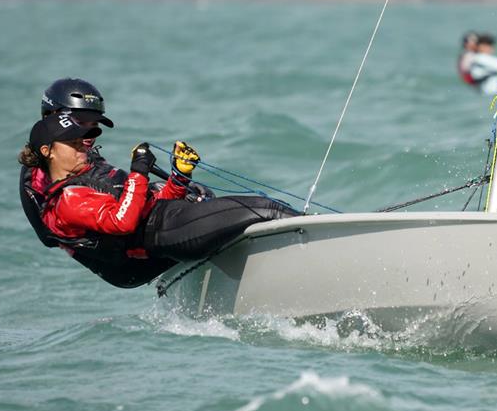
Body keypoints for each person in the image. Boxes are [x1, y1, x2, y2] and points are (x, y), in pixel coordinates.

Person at [18, 112, 298, 286]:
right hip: (167, 233)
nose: (82, 146)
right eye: (72, 142)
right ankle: (322, 236)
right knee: (264, 209)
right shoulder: (68, 199)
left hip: (171, 220)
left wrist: (179, 177)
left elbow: (145, 204)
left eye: (82, 140)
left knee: (259, 208)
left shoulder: (88, 178)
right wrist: (138, 172)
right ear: (48, 151)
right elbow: (123, 222)